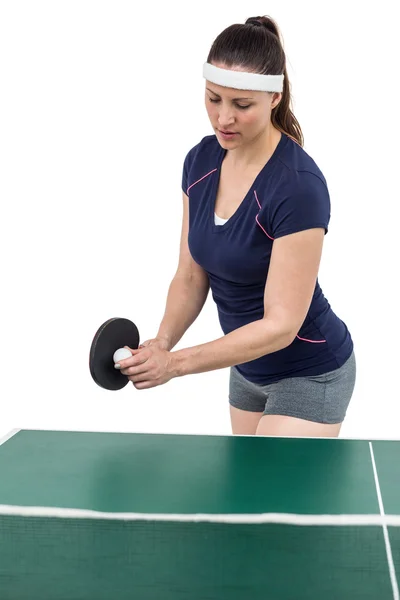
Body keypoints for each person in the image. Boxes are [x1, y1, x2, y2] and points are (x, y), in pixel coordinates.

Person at [118, 15, 356, 438]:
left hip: (309, 371)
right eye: (214, 99)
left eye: (241, 105)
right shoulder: (200, 162)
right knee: (249, 502)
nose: (222, 118)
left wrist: (177, 364)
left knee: (273, 499)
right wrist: (162, 342)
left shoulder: (298, 187)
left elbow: (281, 324)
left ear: (273, 98)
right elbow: (191, 276)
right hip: (245, 370)